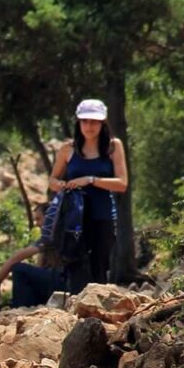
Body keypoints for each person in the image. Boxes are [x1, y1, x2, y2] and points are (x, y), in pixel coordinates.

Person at [47, 98, 129, 294]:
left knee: (99, 266)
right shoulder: (68, 149)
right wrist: (62, 185)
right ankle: (75, 314)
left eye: (94, 121)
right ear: (78, 122)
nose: (89, 126)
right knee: (75, 264)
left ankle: (98, 313)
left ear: (102, 123)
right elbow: (52, 180)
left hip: (103, 216)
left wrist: (91, 179)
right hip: (74, 218)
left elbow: (122, 183)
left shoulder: (113, 147)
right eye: (85, 121)